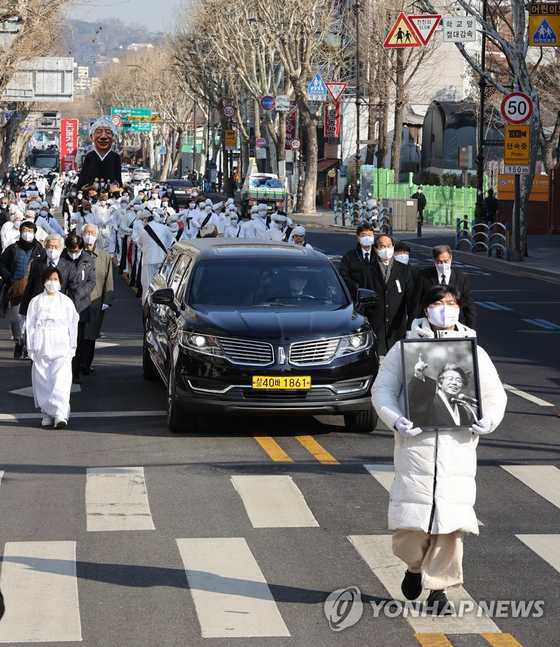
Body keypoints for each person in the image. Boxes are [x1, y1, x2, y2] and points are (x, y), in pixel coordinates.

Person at [371, 284, 507, 614]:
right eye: (437, 303)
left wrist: (488, 420)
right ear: (425, 308)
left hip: (456, 452)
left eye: (450, 303)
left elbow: (494, 395)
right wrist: (396, 420)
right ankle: (415, 567)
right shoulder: (404, 349)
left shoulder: (474, 352)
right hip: (415, 450)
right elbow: (382, 391)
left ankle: (439, 589)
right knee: (411, 528)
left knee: (450, 527)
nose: (444, 309)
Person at [25, 267, 79, 429]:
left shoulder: (66, 302)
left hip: (61, 344)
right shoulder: (35, 302)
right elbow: (30, 325)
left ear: (60, 281)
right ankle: (46, 413)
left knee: (60, 381)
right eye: (49, 279)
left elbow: (73, 325)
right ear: (43, 282)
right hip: (42, 344)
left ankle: (60, 413)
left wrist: (73, 346)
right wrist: (31, 348)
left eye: (56, 279)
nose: (52, 282)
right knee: (43, 381)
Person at [360, 234, 418, 356]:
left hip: (397, 328)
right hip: (376, 327)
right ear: (376, 249)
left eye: (389, 246)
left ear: (393, 247)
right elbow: (363, 300)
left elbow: (411, 300)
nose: (386, 249)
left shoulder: (404, 270)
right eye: (382, 246)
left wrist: (410, 327)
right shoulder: (367, 270)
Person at [0, 221, 46, 358]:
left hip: (33, 290)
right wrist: (9, 278)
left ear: (34, 233)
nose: (27, 233)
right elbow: (1, 263)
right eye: (25, 230)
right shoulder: (12, 248)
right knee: (14, 319)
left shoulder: (40, 250)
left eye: (30, 231)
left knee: (31, 320)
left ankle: (27, 344)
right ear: (20, 232)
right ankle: (18, 340)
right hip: (15, 289)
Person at [416, 244, 476, 329]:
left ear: (451, 259)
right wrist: (412, 328)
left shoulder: (461, 278)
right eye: (440, 262)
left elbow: (469, 306)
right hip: (428, 326)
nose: (443, 264)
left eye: (446, 261)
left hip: (452, 326)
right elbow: (415, 303)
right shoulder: (424, 276)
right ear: (434, 260)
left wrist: (471, 330)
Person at [62, 234, 96, 384]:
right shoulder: (61, 259)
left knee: (78, 339)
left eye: (75, 250)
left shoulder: (88, 260)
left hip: (81, 305)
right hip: (62, 303)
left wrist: (78, 295)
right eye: (70, 250)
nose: (73, 253)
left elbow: (91, 281)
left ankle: (74, 372)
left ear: (81, 249)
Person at [80, 224, 114, 375]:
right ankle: (75, 363)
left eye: (92, 233)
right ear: (81, 235)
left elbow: (109, 279)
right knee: (77, 335)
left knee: (91, 334)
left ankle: (85, 364)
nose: (89, 235)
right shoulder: (76, 253)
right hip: (77, 302)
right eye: (86, 232)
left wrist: (107, 299)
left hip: (96, 302)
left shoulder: (103, 256)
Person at [408, 360, 478, 428]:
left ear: (462, 386)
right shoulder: (429, 402)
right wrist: (418, 376)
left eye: (458, 380)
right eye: (450, 379)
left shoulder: (463, 409)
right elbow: (412, 404)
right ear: (440, 383)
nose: (454, 383)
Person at [137, 211, 174, 303]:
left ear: (146, 219)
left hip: (148, 259)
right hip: (162, 259)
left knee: (147, 283)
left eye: (142, 219)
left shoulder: (144, 230)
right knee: (161, 283)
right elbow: (169, 241)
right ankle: (161, 303)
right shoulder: (164, 228)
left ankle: (146, 302)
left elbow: (139, 243)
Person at [77, 119, 122, 192]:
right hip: (90, 195)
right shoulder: (89, 156)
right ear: (92, 137)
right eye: (98, 132)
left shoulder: (115, 157)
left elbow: (118, 179)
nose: (103, 136)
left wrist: (120, 189)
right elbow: (83, 176)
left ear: (113, 137)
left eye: (108, 132)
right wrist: (80, 189)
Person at [339, 222, 376, 299]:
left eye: (369, 235)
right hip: (355, 296)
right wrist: (356, 287)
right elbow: (343, 275)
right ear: (358, 238)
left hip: (376, 295)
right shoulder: (349, 256)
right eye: (364, 235)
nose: (367, 237)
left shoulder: (378, 255)